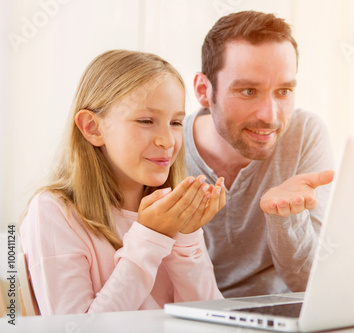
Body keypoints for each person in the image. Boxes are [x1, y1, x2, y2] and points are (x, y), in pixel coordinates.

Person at [20, 50, 225, 315]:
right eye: (146, 121)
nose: (168, 140)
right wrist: (150, 238)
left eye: (175, 122)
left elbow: (211, 318)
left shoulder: (171, 212)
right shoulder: (54, 212)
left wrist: (186, 237)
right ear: (93, 128)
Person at [185, 10, 335, 297]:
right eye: (248, 91)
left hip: (280, 314)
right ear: (204, 90)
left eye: (283, 91)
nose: (270, 116)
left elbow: (310, 284)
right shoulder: (167, 146)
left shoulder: (305, 134)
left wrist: (286, 219)